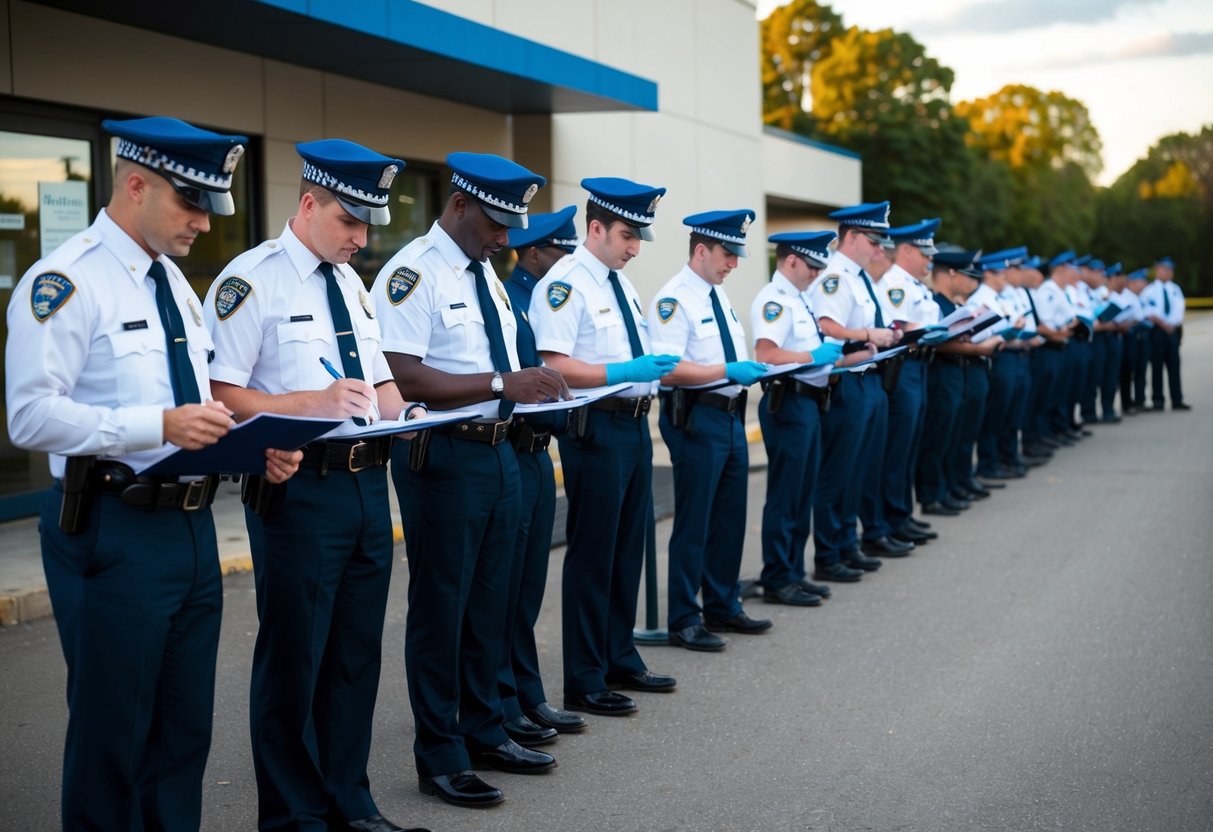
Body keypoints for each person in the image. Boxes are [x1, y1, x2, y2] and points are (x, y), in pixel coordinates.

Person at [5, 116, 300, 831]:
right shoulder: (66, 281)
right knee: (115, 735)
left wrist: (248, 444)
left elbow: (191, 403)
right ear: (136, 184)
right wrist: (155, 427)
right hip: (115, 526)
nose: (204, 222)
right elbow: (30, 417)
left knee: (182, 735)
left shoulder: (173, 282)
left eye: (209, 207)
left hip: (191, 530)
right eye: (191, 204)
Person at [204, 139, 425, 832]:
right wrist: (309, 403)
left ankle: (349, 801)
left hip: (366, 485)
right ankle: (294, 815)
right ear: (308, 203)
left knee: (356, 654)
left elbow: (376, 377)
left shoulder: (352, 284)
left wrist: (408, 413)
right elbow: (219, 392)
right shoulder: (251, 281)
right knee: (295, 657)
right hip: (299, 490)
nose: (362, 238)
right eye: (349, 221)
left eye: (369, 226)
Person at [373, 152, 570, 807]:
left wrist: (534, 391)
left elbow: (508, 359)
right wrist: (497, 385)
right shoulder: (411, 273)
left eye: (509, 226)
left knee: (491, 600)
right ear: (458, 204)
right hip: (444, 456)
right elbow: (400, 374)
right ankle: (440, 754)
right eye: (494, 222)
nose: (504, 239)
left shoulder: (483, 272)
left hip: (499, 454)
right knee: (442, 609)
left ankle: (485, 729)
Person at [528, 177, 681, 715]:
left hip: (634, 424)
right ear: (595, 228)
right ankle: (585, 678)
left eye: (639, 236)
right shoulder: (566, 282)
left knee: (628, 545)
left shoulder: (620, 282)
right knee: (594, 552)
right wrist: (623, 370)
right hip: (596, 428)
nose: (635, 247)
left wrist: (650, 367)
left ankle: (620, 655)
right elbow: (553, 365)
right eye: (626, 235)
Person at [647, 209, 772, 652]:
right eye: (727, 254)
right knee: (695, 519)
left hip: (730, 413)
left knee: (729, 517)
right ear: (701, 250)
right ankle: (684, 616)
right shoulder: (675, 298)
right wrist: (727, 370)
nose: (733, 263)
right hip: (697, 415)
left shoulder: (716, 295)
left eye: (737, 255)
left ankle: (722, 603)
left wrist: (743, 373)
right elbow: (668, 370)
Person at [498, 206, 588, 744]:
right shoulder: (514, 299)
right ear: (534, 253)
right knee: (505, 590)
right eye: (560, 251)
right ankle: (506, 700)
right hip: (512, 445)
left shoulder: (540, 298)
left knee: (528, 587)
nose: (566, 261)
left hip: (537, 451)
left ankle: (527, 694)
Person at [805, 201, 901, 582]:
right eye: (874, 240)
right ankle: (828, 554)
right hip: (845, 381)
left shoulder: (860, 278)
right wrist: (867, 335)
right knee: (838, 471)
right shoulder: (835, 276)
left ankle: (848, 542)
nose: (880, 250)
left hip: (869, 377)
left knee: (860, 467)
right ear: (853, 237)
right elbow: (828, 327)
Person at [750, 231, 844, 606]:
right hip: (787, 401)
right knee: (786, 494)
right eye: (812, 265)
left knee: (802, 492)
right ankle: (777, 577)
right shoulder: (774, 300)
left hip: (808, 402)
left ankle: (793, 572)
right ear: (790, 261)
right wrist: (813, 358)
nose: (817, 274)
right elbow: (767, 355)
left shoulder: (800, 299)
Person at [864, 218, 945, 548]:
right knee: (896, 450)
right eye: (924, 254)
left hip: (920, 365)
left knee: (909, 446)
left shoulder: (915, 285)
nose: (930, 261)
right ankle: (889, 519)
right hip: (904, 365)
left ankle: (901, 514)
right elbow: (899, 327)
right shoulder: (895, 284)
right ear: (907, 250)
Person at [916, 247, 987, 515]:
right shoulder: (936, 304)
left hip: (957, 373)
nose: (973, 281)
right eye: (967, 274)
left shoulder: (954, 305)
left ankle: (946, 487)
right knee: (937, 438)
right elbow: (938, 343)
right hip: (941, 373)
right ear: (952, 273)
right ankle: (932, 495)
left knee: (952, 435)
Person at [1141, 256, 1189, 411]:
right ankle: (1158, 400)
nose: (1168, 273)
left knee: (1174, 365)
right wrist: (1162, 323)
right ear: (1157, 270)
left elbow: (1179, 310)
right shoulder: (1149, 291)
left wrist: (1172, 325)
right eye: (1165, 269)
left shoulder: (1175, 289)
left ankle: (1177, 399)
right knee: (1157, 366)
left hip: (1172, 332)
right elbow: (1147, 311)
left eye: (1170, 270)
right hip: (1157, 332)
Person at [1120, 268, 1151, 414]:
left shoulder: (1140, 297)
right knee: (1128, 370)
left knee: (1141, 369)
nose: (1144, 284)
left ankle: (1140, 400)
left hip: (1142, 335)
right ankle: (1127, 403)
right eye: (1141, 281)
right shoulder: (1125, 296)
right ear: (1133, 282)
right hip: (1130, 335)